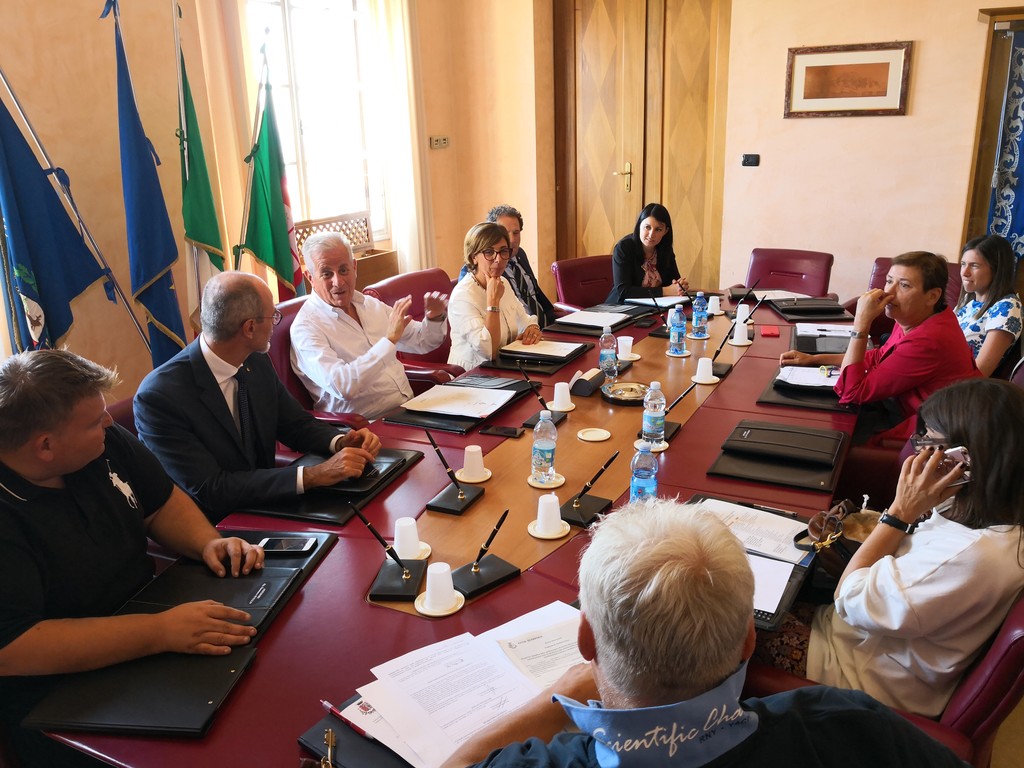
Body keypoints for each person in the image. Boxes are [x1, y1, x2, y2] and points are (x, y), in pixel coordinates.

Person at [442, 499, 967, 768]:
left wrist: (561, 694)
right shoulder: (845, 723)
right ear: (748, 642)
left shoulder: (549, 759)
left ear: (586, 641)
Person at [0, 350, 265, 766]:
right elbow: (14, 648)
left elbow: (160, 503)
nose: (109, 421)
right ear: (45, 445)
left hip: (150, 619)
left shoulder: (100, 444)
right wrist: (159, 632)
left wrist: (206, 542)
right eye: (94, 421)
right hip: (58, 695)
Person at [755, 378, 1024, 719]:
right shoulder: (987, 515)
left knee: (715, 622)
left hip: (850, 672)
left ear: (967, 462)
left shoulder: (969, 557)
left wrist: (899, 513)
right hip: (857, 641)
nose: (919, 453)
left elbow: (849, 598)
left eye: (930, 443)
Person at [135, 271, 381, 522]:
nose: (276, 323)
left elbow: (295, 424)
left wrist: (339, 442)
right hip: (216, 527)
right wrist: (313, 475)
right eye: (273, 316)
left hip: (270, 503)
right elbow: (212, 489)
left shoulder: (255, 360)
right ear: (250, 328)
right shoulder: (159, 398)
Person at [780, 251, 980, 443]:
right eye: (889, 281)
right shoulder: (916, 316)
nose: (889, 293)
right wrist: (814, 359)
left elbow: (853, 393)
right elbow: (880, 356)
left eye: (904, 285)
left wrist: (861, 324)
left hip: (928, 429)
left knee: (819, 429)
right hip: (901, 407)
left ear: (932, 296)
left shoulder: (929, 340)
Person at [290, 232, 449, 419]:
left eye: (343, 270)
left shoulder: (370, 305)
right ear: (310, 277)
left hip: (409, 409)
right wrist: (389, 340)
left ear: (354, 267)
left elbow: (423, 341)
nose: (338, 282)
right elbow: (344, 386)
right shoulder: (305, 328)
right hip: (364, 426)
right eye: (326, 274)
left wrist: (434, 317)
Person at [448, 221, 543, 370]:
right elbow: (489, 351)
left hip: (503, 366)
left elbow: (524, 321)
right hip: (472, 374)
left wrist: (532, 328)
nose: (498, 259)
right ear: (473, 257)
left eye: (503, 251)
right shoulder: (463, 296)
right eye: (489, 252)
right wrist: (493, 302)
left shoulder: (503, 282)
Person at [457, 205, 557, 327]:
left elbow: (534, 291)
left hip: (538, 326)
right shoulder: (476, 271)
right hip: (515, 333)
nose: (512, 239)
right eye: (505, 232)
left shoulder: (520, 254)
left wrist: (553, 313)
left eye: (516, 233)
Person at [955, 234, 1021, 376]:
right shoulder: (967, 300)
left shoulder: (1007, 307)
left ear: (997, 270)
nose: (964, 273)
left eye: (974, 265)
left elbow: (980, 372)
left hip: (960, 384)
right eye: (963, 264)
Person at [606, 203, 689, 303]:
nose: (651, 234)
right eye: (647, 227)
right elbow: (624, 291)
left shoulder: (665, 249)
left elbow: (674, 281)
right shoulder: (624, 248)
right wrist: (666, 291)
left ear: (665, 231)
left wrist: (680, 286)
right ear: (639, 225)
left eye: (658, 229)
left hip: (653, 306)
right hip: (620, 307)